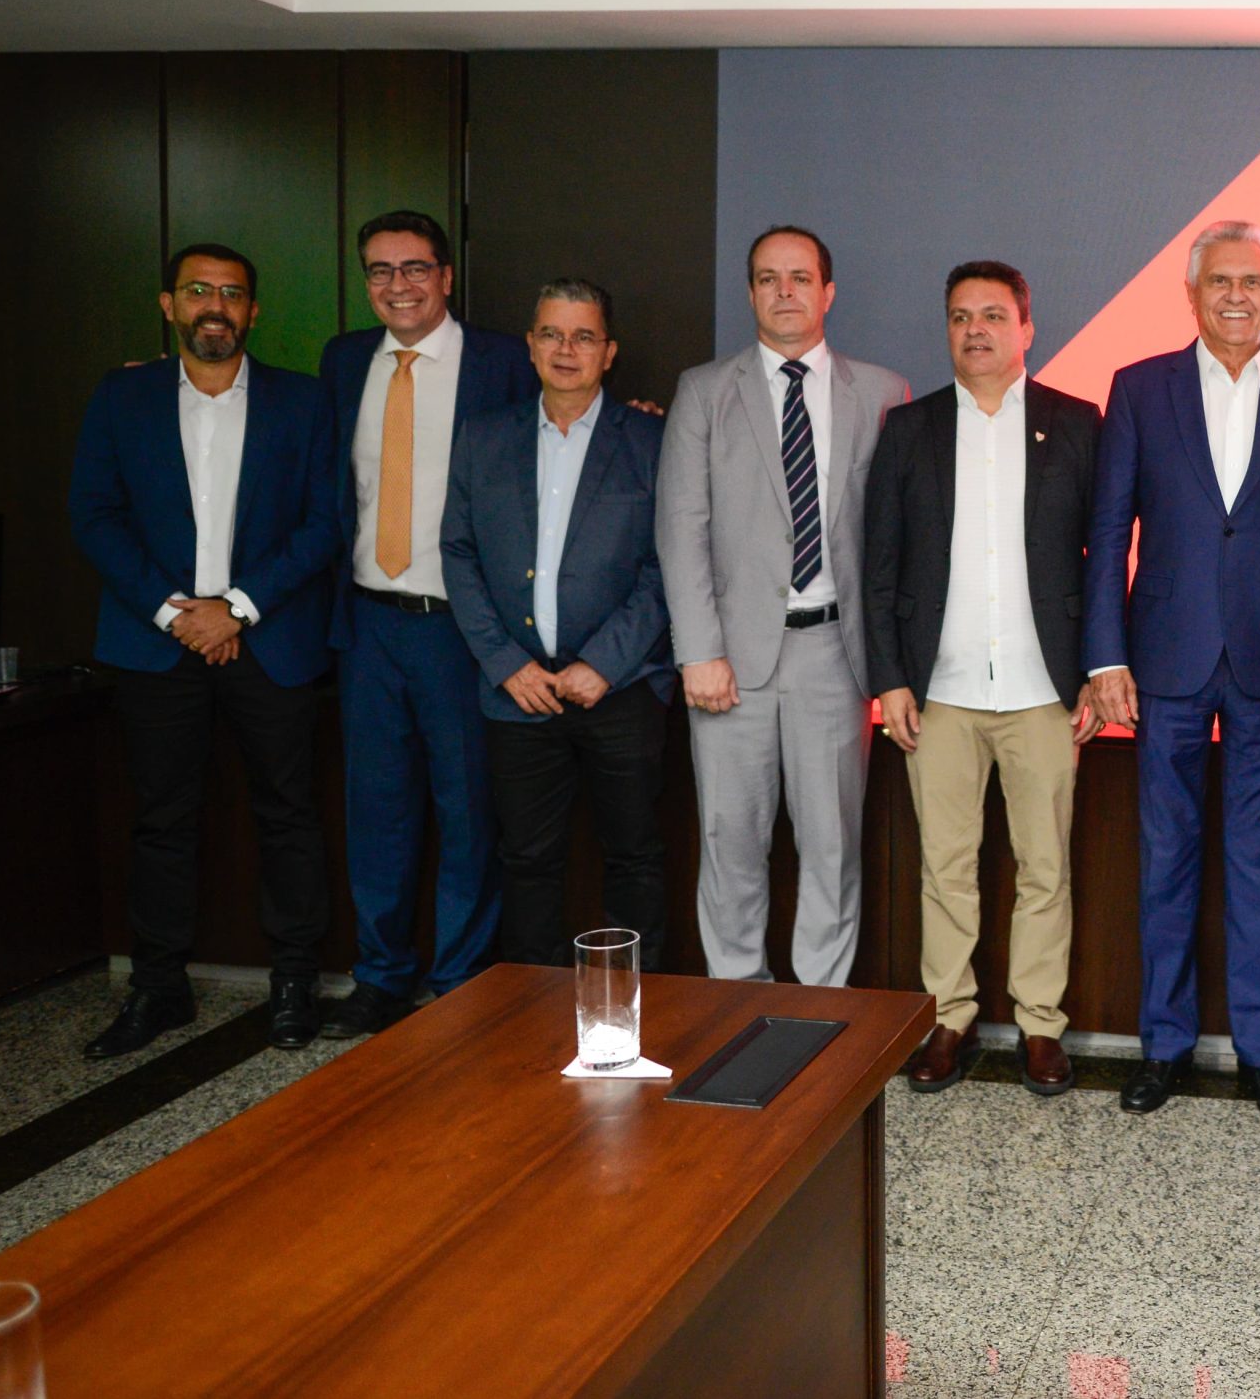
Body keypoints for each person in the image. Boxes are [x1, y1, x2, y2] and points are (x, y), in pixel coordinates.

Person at [1081, 220, 1260, 1124]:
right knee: (1165, 856)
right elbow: (1108, 533)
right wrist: (1106, 653)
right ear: (1192, 294)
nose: (1237, 296)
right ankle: (1163, 1045)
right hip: (1163, 659)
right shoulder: (1139, 387)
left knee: (1256, 858)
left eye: (1252, 281)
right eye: (1220, 281)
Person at [69, 244, 340, 1056]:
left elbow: (326, 521)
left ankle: (294, 982)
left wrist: (237, 609)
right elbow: (94, 513)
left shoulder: (305, 401)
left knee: (289, 815)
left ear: (254, 310)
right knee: (160, 819)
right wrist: (174, 613)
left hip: (270, 639)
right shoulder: (121, 396)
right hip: (158, 643)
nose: (214, 305)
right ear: (169, 304)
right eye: (198, 290)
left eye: (231, 292)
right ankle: (159, 986)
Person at [863, 262, 1103, 1096]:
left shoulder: (1078, 423)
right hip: (940, 691)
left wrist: (1096, 672)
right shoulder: (910, 427)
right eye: (961, 316)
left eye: (994, 315)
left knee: (1046, 867)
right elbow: (880, 563)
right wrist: (889, 678)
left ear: (1026, 328)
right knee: (945, 867)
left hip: (1044, 690)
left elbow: (1104, 558)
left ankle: (1041, 1024)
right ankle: (949, 1018)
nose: (976, 330)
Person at [658, 226, 908, 985]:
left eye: (800, 277)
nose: (785, 291)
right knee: (730, 840)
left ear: (827, 292)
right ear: (750, 293)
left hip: (835, 654)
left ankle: (823, 1006)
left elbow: (896, 537)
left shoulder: (883, 393)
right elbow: (680, 526)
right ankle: (735, 996)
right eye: (768, 278)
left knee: (832, 845)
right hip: (729, 659)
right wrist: (699, 651)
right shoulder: (704, 390)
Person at [318, 211, 538, 1038]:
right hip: (367, 622)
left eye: (415, 268)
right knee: (376, 810)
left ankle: (459, 982)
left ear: (446, 276)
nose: (398, 285)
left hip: (461, 627)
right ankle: (380, 975)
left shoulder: (501, 361)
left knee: (466, 810)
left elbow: (562, 431)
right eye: (380, 270)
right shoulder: (344, 360)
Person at [440, 279, 673, 971]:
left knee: (634, 855)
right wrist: (505, 663)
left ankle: (635, 1005)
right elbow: (458, 553)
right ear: (530, 345)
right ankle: (531, 1011)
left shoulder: (653, 440)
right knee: (527, 860)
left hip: (621, 689)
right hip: (519, 691)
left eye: (583, 336)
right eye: (551, 333)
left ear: (609, 352)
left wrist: (604, 662)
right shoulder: (483, 437)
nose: (566, 349)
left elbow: (671, 564)